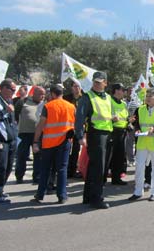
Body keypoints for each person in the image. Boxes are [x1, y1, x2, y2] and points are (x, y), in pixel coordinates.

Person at [31, 85, 75, 204]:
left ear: (52, 94)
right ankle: (62, 196)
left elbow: (41, 125)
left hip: (49, 143)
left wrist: (35, 141)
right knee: (62, 169)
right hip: (65, 142)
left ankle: (40, 195)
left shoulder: (48, 106)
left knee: (45, 169)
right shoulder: (71, 106)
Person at [75, 71, 113, 209]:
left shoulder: (108, 97)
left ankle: (88, 197)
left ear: (105, 83)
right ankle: (97, 199)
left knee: (94, 167)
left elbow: (108, 115)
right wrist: (79, 136)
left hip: (106, 134)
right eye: (95, 82)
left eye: (99, 82)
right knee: (98, 169)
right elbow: (79, 118)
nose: (97, 84)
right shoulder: (87, 97)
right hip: (96, 135)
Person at [128, 88, 154, 201]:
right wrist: (137, 130)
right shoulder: (139, 109)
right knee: (139, 168)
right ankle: (138, 191)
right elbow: (136, 123)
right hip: (142, 142)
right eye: (147, 96)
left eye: (151, 96)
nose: (148, 98)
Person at [14, 86, 45, 184]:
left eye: (43, 94)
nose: (42, 96)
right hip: (24, 133)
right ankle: (19, 176)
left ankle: (37, 177)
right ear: (34, 93)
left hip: (38, 133)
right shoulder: (23, 101)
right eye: (40, 94)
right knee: (22, 155)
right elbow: (15, 115)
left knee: (38, 156)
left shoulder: (44, 104)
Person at [105, 83, 129, 185]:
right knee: (108, 156)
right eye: (122, 90)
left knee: (119, 156)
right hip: (112, 131)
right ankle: (102, 179)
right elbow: (104, 115)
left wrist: (129, 121)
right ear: (116, 90)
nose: (124, 92)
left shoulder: (123, 103)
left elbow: (125, 117)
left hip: (122, 132)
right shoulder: (108, 101)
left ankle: (116, 178)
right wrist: (111, 118)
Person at [64, 81, 83, 178]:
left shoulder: (83, 98)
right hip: (68, 127)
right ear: (71, 88)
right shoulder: (66, 98)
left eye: (78, 86)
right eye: (75, 86)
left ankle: (73, 170)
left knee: (76, 149)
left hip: (79, 127)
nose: (76, 88)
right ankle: (65, 169)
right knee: (67, 149)